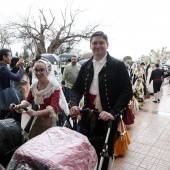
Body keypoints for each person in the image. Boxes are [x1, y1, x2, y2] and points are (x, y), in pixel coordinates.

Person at [69, 31, 133, 169]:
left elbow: (127, 91)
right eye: (94, 43)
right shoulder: (85, 66)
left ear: (107, 45)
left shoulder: (117, 65)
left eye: (101, 43)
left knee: (106, 151)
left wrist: (113, 112)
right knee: (86, 147)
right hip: (88, 115)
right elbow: (76, 89)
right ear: (91, 46)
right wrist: (73, 104)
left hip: (108, 116)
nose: (98, 46)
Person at [10, 58, 69, 139]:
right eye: (36, 70)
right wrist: (18, 106)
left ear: (47, 71)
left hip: (53, 117)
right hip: (40, 116)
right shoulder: (34, 85)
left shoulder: (54, 86)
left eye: (41, 70)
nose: (38, 73)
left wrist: (36, 113)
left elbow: (53, 108)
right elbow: (27, 102)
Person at [0, 49, 25, 123]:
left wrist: (17, 67)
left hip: (4, 97)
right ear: (4, 57)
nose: (11, 58)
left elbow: (8, 74)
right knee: (12, 119)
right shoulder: (3, 68)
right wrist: (22, 69)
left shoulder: (2, 67)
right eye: (10, 56)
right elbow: (17, 78)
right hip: (8, 98)